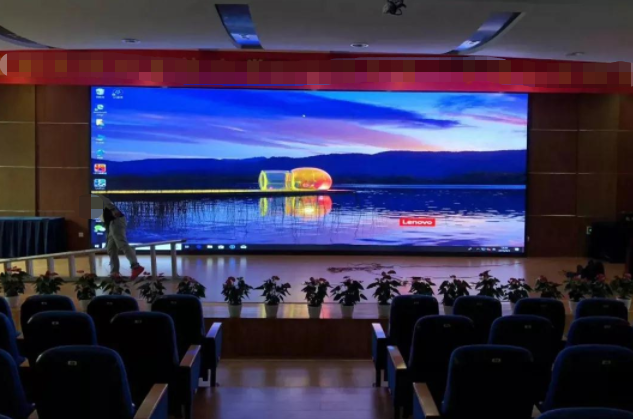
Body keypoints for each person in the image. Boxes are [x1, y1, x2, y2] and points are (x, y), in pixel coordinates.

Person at [99, 196, 144, 279]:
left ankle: (136, 266)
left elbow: (107, 203)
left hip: (115, 221)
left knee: (121, 244)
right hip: (111, 224)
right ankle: (114, 273)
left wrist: (114, 211)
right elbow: (105, 220)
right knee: (111, 248)